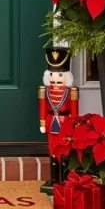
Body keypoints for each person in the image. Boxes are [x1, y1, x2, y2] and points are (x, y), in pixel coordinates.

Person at [38, 44, 78, 188]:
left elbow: (74, 110)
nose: (56, 78)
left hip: (65, 122)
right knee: (52, 151)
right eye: (53, 75)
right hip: (51, 122)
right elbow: (43, 107)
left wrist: (74, 123)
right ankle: (54, 178)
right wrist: (42, 122)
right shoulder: (45, 91)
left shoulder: (70, 92)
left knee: (65, 150)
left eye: (60, 75)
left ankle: (65, 178)